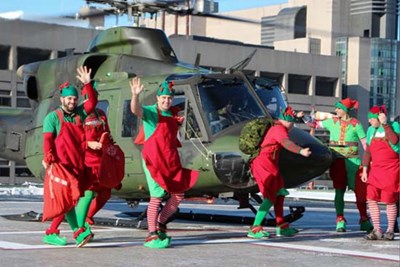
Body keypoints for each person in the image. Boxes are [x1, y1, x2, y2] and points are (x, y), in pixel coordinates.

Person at [130, 77, 199, 249]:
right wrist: (135, 96)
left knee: (179, 195)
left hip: (170, 161)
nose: (166, 101)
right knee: (156, 197)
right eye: (163, 98)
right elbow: (136, 110)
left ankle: (161, 223)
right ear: (157, 99)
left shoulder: (174, 114)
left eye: (169, 98)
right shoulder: (151, 113)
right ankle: (151, 235)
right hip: (154, 161)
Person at [42, 66, 97, 247]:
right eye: (69, 99)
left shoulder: (79, 114)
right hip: (61, 167)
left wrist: (88, 85)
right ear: (62, 99)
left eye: (74, 98)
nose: (72, 101)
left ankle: (51, 232)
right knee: (70, 198)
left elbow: (91, 103)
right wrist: (48, 158)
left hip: (77, 165)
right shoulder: (53, 117)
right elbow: (48, 140)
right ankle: (78, 232)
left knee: (70, 200)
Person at [310, 98, 373, 232]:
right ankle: (340, 219)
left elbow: (365, 144)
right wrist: (303, 117)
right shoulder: (332, 122)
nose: (336, 110)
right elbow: (313, 124)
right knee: (339, 191)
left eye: (338, 108)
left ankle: (364, 219)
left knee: (359, 192)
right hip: (337, 162)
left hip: (354, 163)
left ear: (345, 110)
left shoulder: (356, 124)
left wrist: (369, 161)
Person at [248, 106, 312, 238]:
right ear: (287, 122)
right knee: (270, 197)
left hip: (271, 165)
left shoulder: (279, 126)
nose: (293, 126)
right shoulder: (279, 129)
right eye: (292, 123)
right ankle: (255, 228)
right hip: (263, 165)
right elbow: (286, 143)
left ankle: (281, 225)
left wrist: (299, 116)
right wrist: (301, 151)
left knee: (279, 194)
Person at [361, 106, 399, 240]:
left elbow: (394, 140)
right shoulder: (371, 130)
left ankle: (390, 230)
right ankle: (377, 229)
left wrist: (385, 124)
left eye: (372, 119)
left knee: (389, 200)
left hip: (391, 169)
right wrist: (365, 169)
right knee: (371, 199)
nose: (370, 122)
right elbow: (368, 151)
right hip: (375, 170)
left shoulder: (394, 126)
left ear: (380, 117)